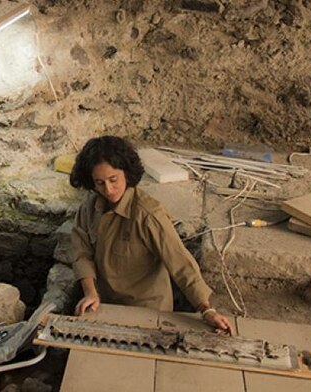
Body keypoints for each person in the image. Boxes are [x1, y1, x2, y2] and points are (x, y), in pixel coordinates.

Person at [69, 136, 233, 334]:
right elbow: (82, 253)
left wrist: (207, 310)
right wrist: (91, 293)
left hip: (147, 310)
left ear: (126, 174)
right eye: (100, 183)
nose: (109, 190)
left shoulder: (148, 214)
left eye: (114, 180)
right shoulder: (89, 209)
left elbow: (180, 263)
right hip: (105, 305)